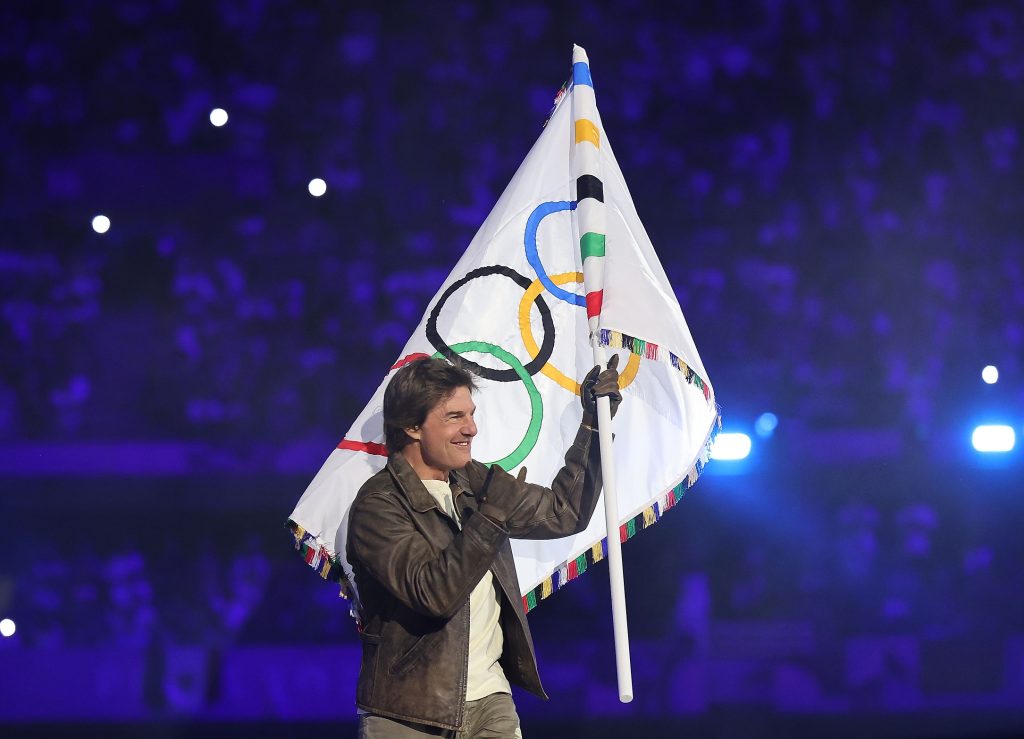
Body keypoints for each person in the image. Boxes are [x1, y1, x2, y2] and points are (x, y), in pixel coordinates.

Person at [347, 355, 622, 738]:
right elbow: (434, 594)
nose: (471, 428)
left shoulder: (472, 479)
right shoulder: (377, 506)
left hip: (491, 702)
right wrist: (491, 518)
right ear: (411, 426)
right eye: (454, 417)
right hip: (407, 713)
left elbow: (564, 513)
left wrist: (593, 424)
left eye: (471, 414)